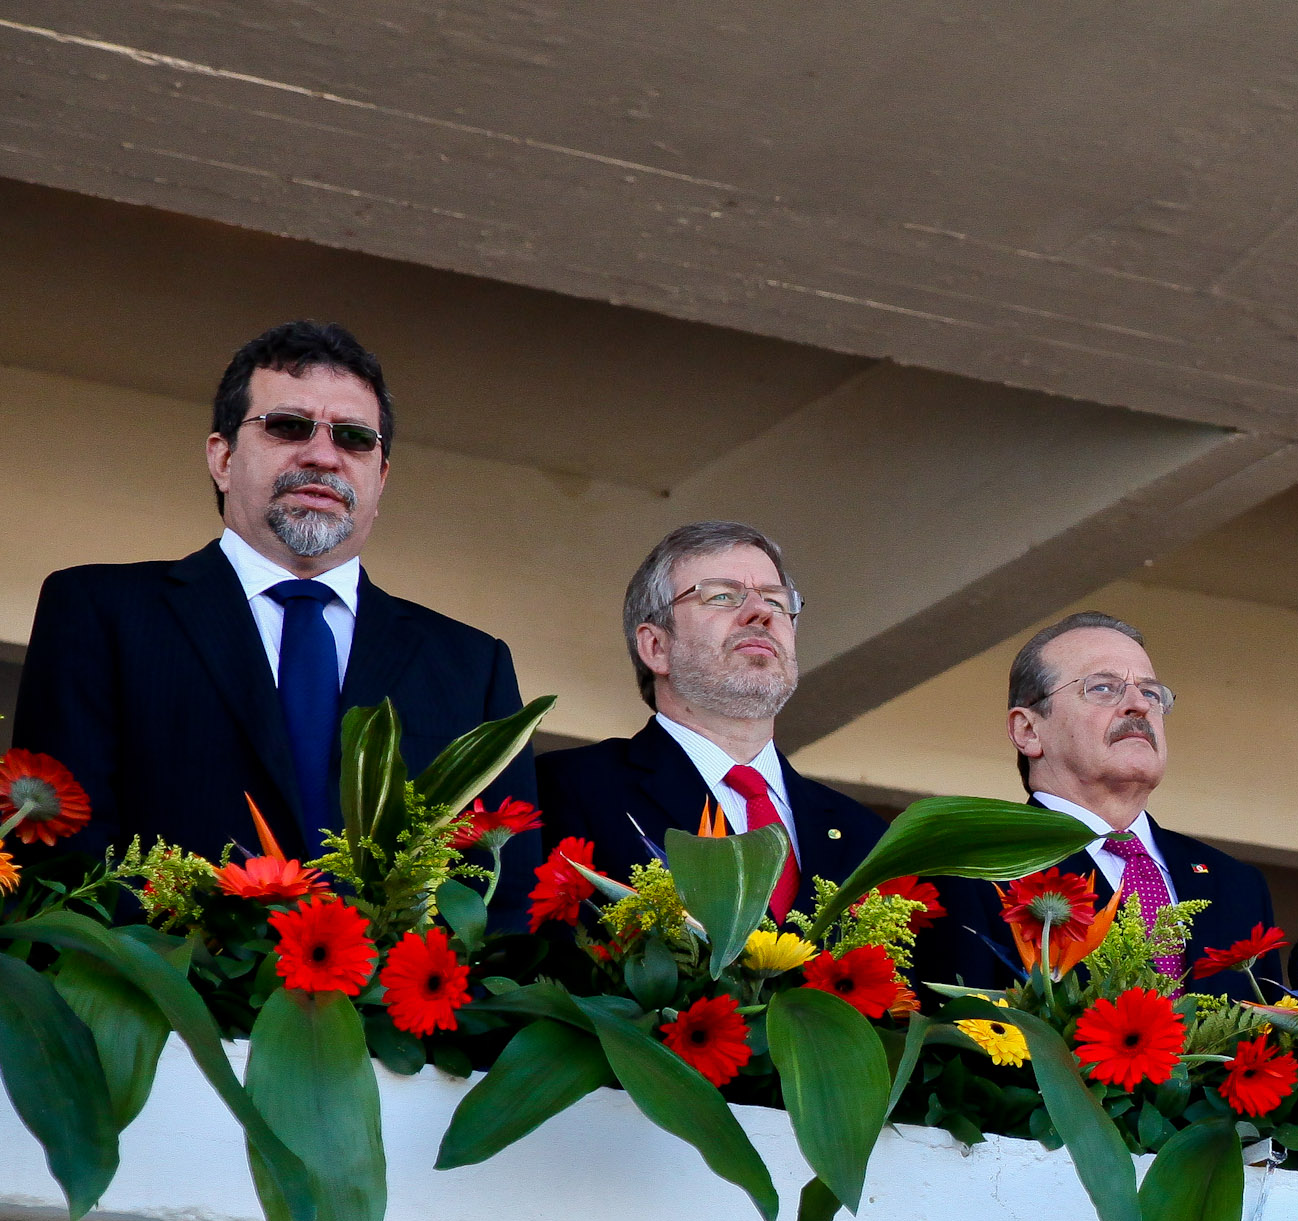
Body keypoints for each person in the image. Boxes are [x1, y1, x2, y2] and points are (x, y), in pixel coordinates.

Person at [13, 319, 524, 857]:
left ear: (382, 478)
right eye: (287, 426)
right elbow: (62, 849)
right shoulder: (100, 612)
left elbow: (500, 890)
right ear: (223, 458)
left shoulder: (472, 667)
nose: (324, 456)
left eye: (353, 437)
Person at [532, 523, 883, 927]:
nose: (762, 612)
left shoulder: (866, 834)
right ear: (656, 646)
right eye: (722, 596)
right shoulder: (567, 788)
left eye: (775, 600)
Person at [935, 611, 1274, 993]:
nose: (1139, 706)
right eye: (1103, 688)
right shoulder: (973, 868)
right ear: (1028, 730)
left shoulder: (1238, 886)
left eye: (1150, 693)